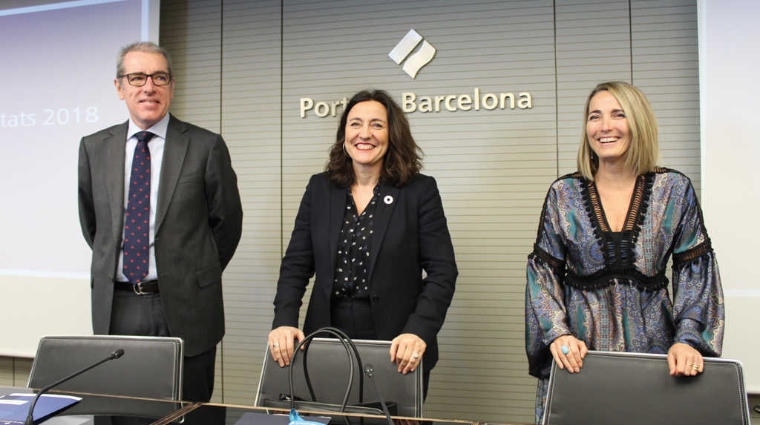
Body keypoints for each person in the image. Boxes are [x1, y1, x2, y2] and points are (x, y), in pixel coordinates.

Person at [524, 81, 724, 423]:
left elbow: (696, 271)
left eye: (618, 115)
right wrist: (557, 333)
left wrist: (689, 339)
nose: (604, 127)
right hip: (579, 357)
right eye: (594, 116)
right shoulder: (563, 193)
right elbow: (543, 274)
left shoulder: (674, 190)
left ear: (638, 122)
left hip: (656, 359)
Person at [78, 41, 243, 402]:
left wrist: (194, 272)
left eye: (159, 77)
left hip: (188, 306)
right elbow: (94, 226)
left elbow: (227, 223)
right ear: (119, 87)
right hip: (117, 306)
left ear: (171, 85)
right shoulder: (94, 148)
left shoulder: (205, 145)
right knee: (120, 410)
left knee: (190, 411)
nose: (148, 87)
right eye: (136, 77)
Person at [268, 89, 457, 398]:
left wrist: (418, 330)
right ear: (344, 133)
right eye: (355, 124)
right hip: (326, 335)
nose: (364, 134)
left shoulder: (419, 191)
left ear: (392, 134)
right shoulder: (320, 188)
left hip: (396, 343)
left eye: (376, 125)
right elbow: (296, 264)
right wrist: (284, 320)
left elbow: (442, 271)